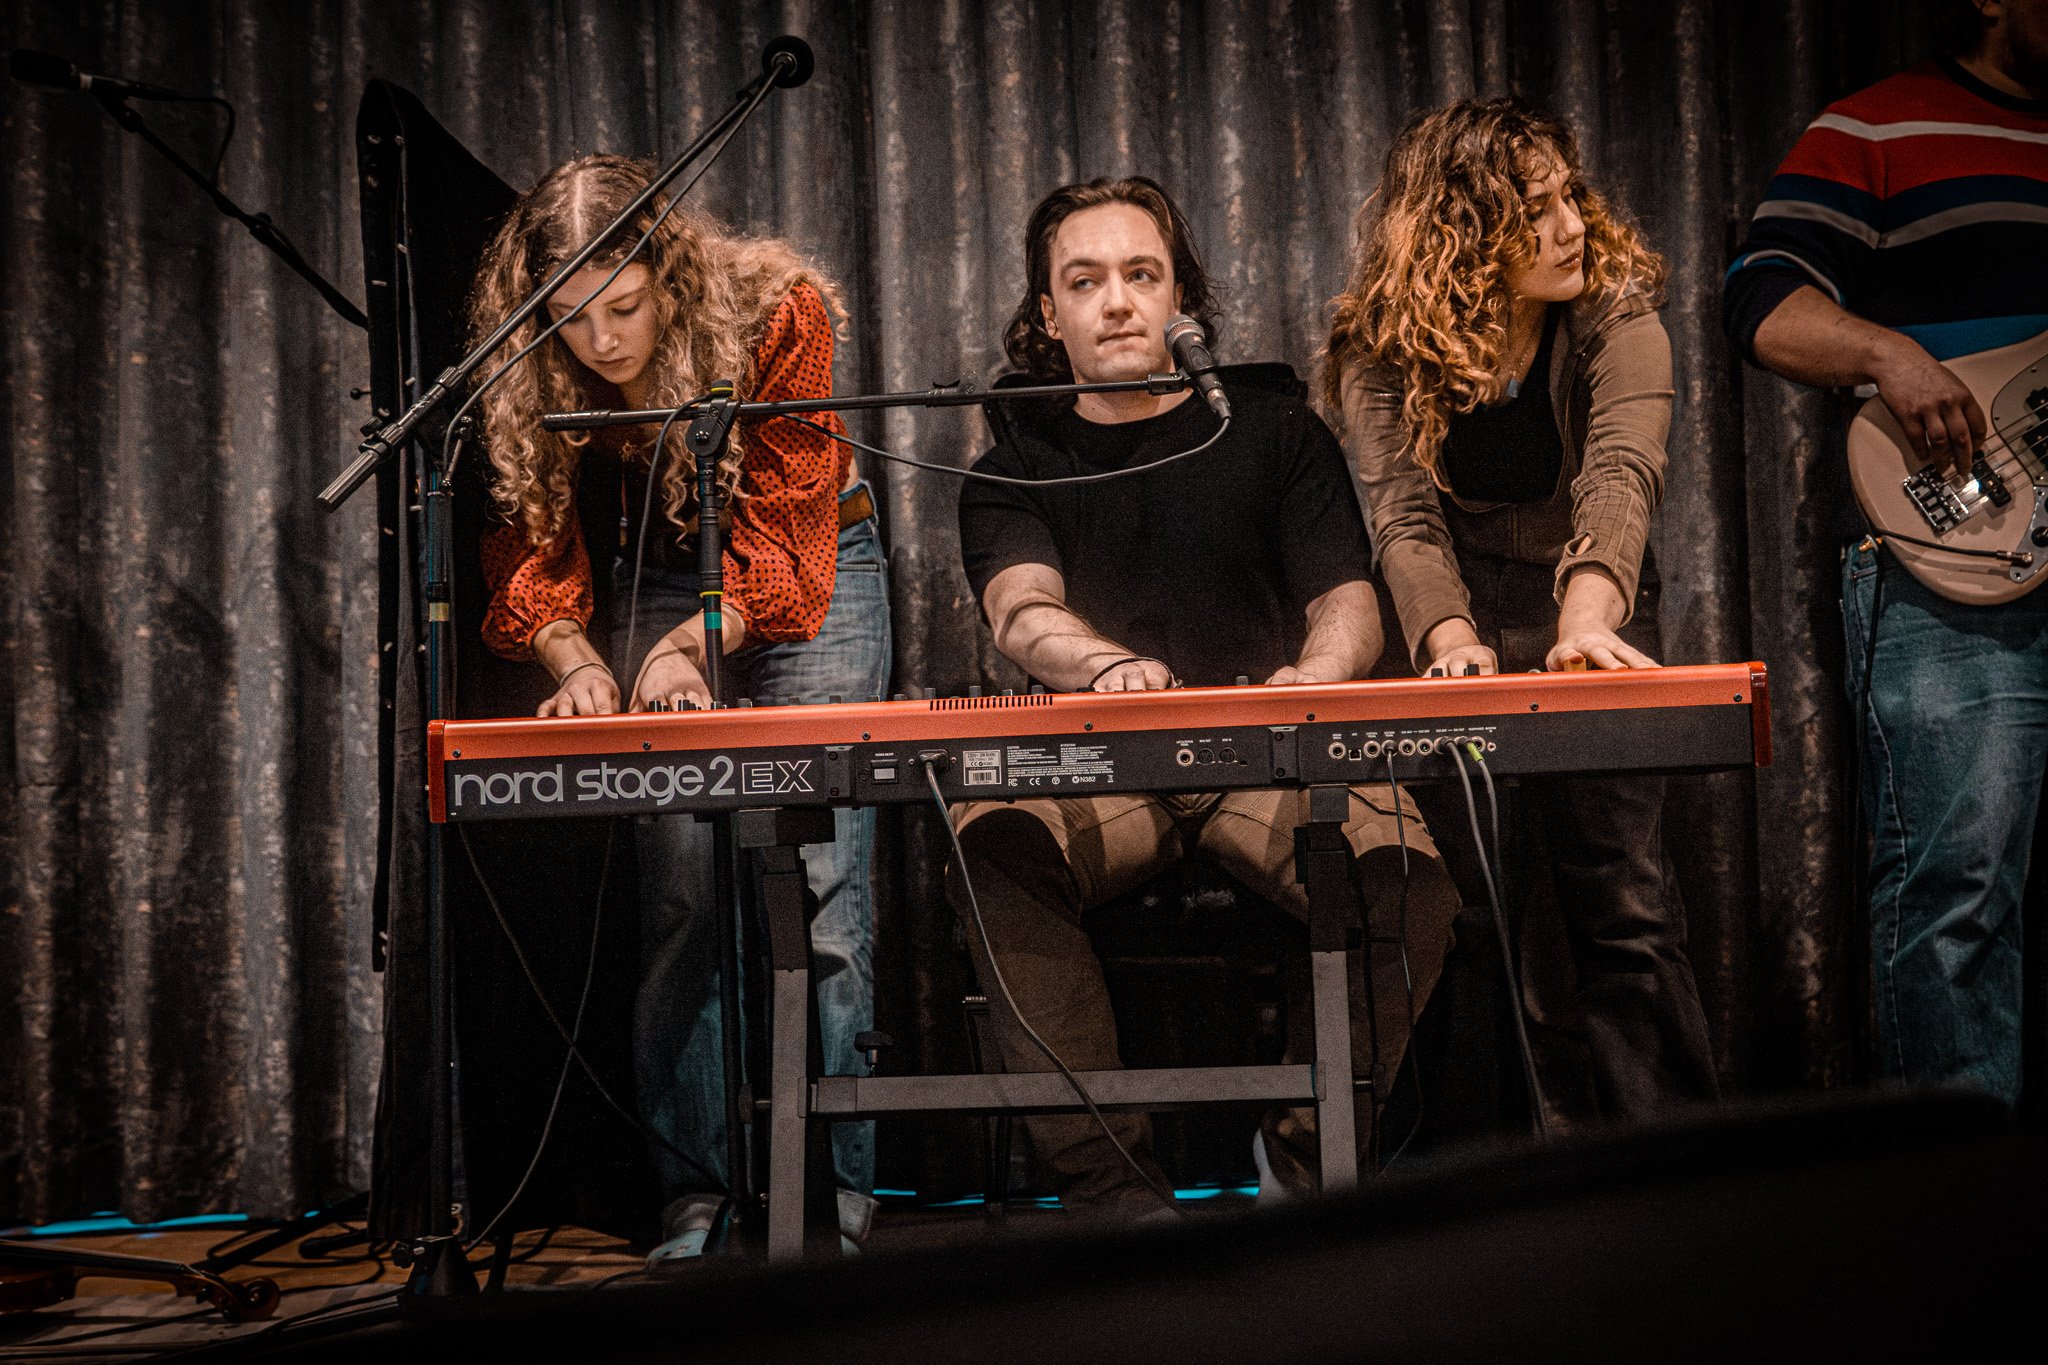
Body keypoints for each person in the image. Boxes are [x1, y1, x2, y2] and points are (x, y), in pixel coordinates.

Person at [951, 175, 1462, 1217]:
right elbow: (1019, 612)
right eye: (1083, 281)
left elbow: (1347, 605)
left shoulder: (1274, 433)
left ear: (1179, 293)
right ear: (1046, 314)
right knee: (992, 840)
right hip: (1101, 765)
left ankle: (1308, 1157)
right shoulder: (1013, 466)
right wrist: (1103, 669)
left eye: (1140, 274)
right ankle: (1118, 1205)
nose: (1116, 302)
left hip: (1264, 758)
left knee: (1408, 876)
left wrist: (1314, 679)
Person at [469, 155, 892, 1254]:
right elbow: (527, 530)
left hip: (817, 564)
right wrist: (576, 661)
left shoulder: (773, 312)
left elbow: (789, 543)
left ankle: (833, 1205)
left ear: (668, 273)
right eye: (571, 319)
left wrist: (691, 646)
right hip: (667, 560)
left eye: (622, 307)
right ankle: (695, 1201)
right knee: (685, 900)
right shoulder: (528, 355)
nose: (602, 342)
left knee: (820, 892)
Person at [1326, 98, 1719, 1127]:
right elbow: (1402, 519)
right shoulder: (1381, 344)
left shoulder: (1614, 313)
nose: (1567, 228)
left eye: (1566, 198)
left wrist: (1587, 620)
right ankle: (1524, 1181)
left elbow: (1621, 473)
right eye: (1530, 212)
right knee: (1482, 913)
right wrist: (1449, 642)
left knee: (1621, 903)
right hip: (1456, 615)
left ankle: (1673, 1170)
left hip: (1592, 598)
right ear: (1458, 237)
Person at [1724, 0, 2048, 1106]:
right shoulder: (1875, 131)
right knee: (1954, 886)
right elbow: (1760, 301)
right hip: (1954, 562)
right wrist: (1887, 352)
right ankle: (1958, 1216)